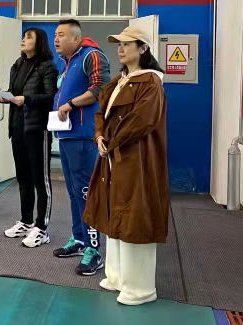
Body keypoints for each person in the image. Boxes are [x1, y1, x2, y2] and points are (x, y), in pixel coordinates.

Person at [84, 27, 169, 306]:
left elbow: (141, 121)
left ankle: (140, 288)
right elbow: (101, 114)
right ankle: (117, 276)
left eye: (127, 44)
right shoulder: (119, 82)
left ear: (143, 48)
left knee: (134, 216)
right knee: (115, 212)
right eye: (119, 44)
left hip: (135, 159)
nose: (120, 49)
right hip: (114, 157)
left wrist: (111, 141)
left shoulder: (150, 82)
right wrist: (100, 137)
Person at [52, 18, 110, 276]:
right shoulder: (67, 62)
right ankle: (78, 239)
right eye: (55, 34)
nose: (56, 39)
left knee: (86, 193)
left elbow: (101, 87)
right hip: (66, 136)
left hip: (83, 137)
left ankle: (94, 250)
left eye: (62, 34)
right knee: (74, 192)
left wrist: (71, 104)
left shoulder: (91, 55)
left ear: (76, 38)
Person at [0, 27, 57, 247]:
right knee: (23, 178)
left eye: (28, 37)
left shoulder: (47, 66)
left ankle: (41, 228)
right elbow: (14, 92)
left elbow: (51, 96)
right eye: (23, 37)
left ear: (38, 42)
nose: (23, 40)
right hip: (17, 128)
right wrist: (5, 97)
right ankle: (26, 221)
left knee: (41, 181)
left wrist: (27, 99)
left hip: (37, 129)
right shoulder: (18, 64)